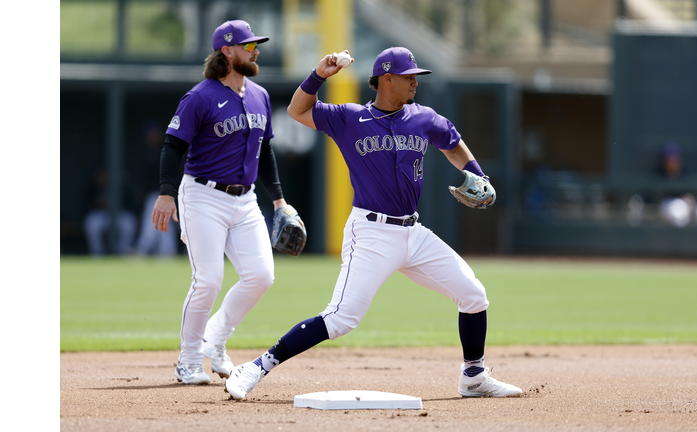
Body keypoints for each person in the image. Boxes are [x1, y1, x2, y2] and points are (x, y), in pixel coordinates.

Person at [224, 47, 522, 399]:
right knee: (340, 319)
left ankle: (473, 377)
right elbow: (297, 110)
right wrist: (319, 75)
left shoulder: (423, 117)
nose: (414, 82)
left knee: (474, 295)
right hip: (371, 233)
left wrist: (477, 174)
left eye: (416, 77)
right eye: (409, 76)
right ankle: (256, 367)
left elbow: (453, 143)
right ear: (387, 78)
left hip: (413, 232)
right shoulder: (350, 118)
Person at [152, 20, 304, 385]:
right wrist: (166, 192)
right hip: (202, 195)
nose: (255, 50)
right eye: (249, 45)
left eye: (256, 44)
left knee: (261, 276)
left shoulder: (260, 95)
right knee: (208, 279)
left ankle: (214, 340)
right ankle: (188, 360)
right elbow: (174, 146)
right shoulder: (200, 96)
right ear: (227, 51)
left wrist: (280, 201)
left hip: (246, 199)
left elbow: (264, 150)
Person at [134, 120, 179, 257]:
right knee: (161, 223)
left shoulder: (166, 149)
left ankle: (143, 249)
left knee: (154, 222)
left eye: (154, 133)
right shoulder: (147, 153)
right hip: (154, 195)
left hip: (164, 194)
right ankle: (166, 251)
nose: (152, 136)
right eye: (150, 134)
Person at [83, 164, 138, 256]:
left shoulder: (121, 186)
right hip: (100, 215)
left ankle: (123, 252)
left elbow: (130, 203)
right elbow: (85, 204)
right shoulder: (93, 187)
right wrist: (99, 203)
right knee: (91, 223)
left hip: (119, 214)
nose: (103, 177)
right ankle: (97, 254)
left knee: (129, 222)